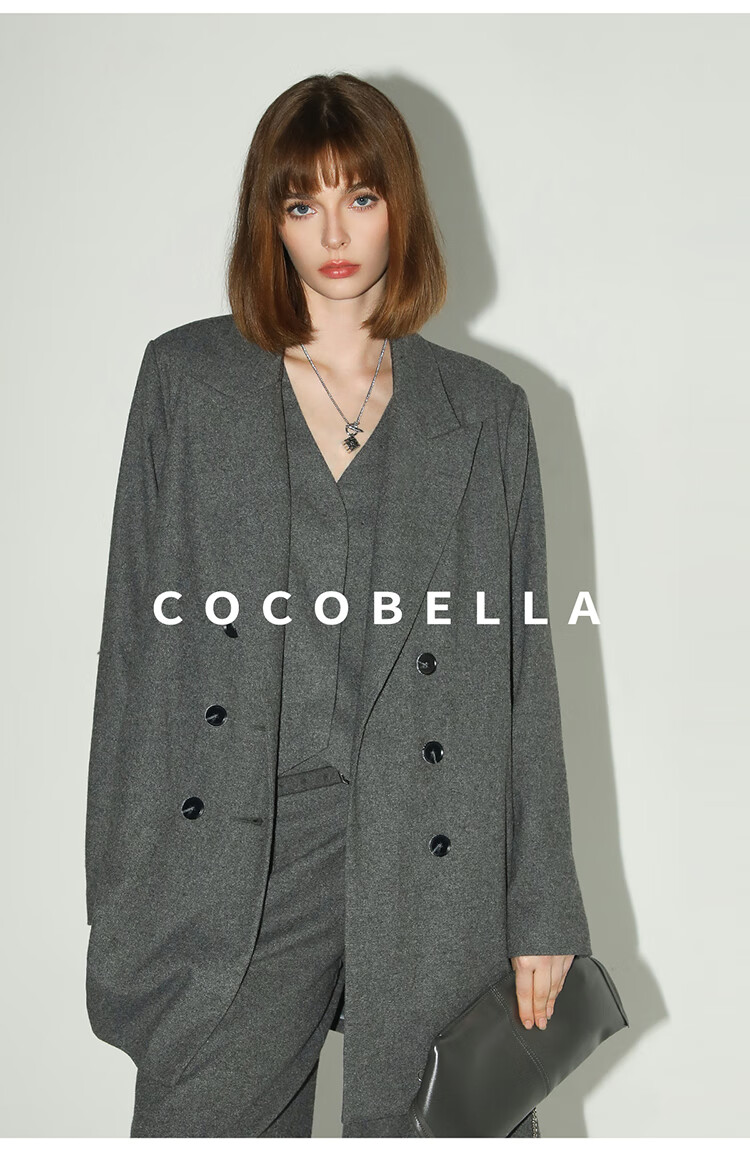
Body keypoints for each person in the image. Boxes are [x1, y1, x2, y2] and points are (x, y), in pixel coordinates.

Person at [84, 72, 592, 1139]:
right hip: (241, 858)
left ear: (400, 205)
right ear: (268, 220)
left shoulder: (484, 414)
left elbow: (522, 674)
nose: (334, 232)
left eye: (360, 196)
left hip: (431, 845)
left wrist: (542, 906)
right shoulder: (186, 382)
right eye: (301, 201)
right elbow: (133, 651)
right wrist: (123, 893)